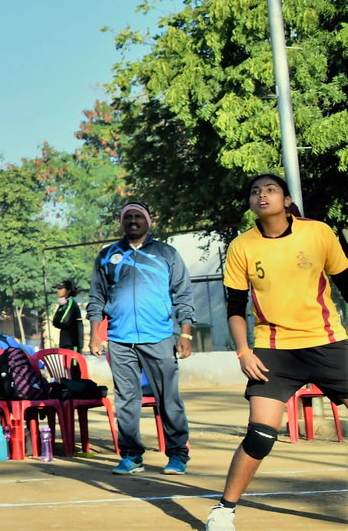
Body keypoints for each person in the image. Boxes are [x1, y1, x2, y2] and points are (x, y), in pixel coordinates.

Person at [203, 174, 348, 531]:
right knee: (260, 435)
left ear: (285, 200)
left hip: (327, 341)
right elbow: (235, 307)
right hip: (273, 350)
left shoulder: (318, 232)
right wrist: (243, 352)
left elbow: (347, 284)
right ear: (251, 203)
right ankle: (224, 511)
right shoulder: (242, 246)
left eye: (270, 190)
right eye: (255, 192)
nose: (262, 195)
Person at [87, 202, 194, 475]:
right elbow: (97, 297)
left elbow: (183, 294)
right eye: (128, 217)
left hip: (158, 337)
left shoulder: (166, 254)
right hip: (120, 339)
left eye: (138, 217)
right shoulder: (108, 255)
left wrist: (185, 333)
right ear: (121, 222)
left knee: (168, 398)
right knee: (126, 400)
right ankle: (132, 456)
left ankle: (178, 454)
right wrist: (95, 335)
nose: (133, 221)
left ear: (148, 221)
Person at [51, 281, 84, 352]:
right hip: (65, 342)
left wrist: (56, 322)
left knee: (72, 359)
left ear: (69, 290)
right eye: (57, 288)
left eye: (61, 288)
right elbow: (56, 321)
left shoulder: (70, 302)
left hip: (72, 343)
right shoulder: (64, 303)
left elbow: (63, 321)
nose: (58, 290)